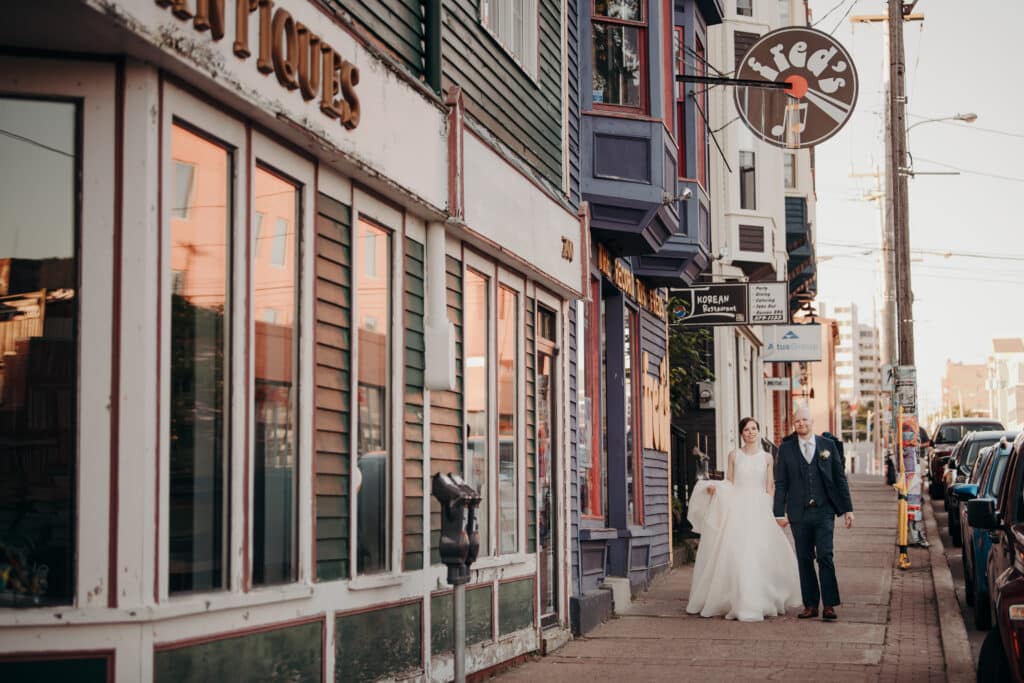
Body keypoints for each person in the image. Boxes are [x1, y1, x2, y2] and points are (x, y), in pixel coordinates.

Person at [685, 417, 802, 621]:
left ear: (759, 431)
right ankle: (737, 598)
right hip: (737, 508)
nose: (751, 432)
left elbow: (770, 485)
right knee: (737, 552)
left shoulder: (766, 458)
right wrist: (717, 489)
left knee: (760, 552)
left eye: (754, 428)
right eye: (747, 429)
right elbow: (730, 481)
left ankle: (763, 597)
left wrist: (773, 509)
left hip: (759, 507)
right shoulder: (734, 455)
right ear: (741, 433)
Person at [774, 407, 855, 621]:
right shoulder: (786, 449)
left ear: (811, 422)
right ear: (793, 424)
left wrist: (848, 509)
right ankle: (810, 604)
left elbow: (839, 478)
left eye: (804, 420)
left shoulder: (827, 446)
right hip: (798, 513)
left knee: (825, 556)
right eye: (797, 420)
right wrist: (778, 512)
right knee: (804, 558)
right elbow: (781, 483)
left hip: (824, 510)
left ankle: (829, 604)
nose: (801, 423)